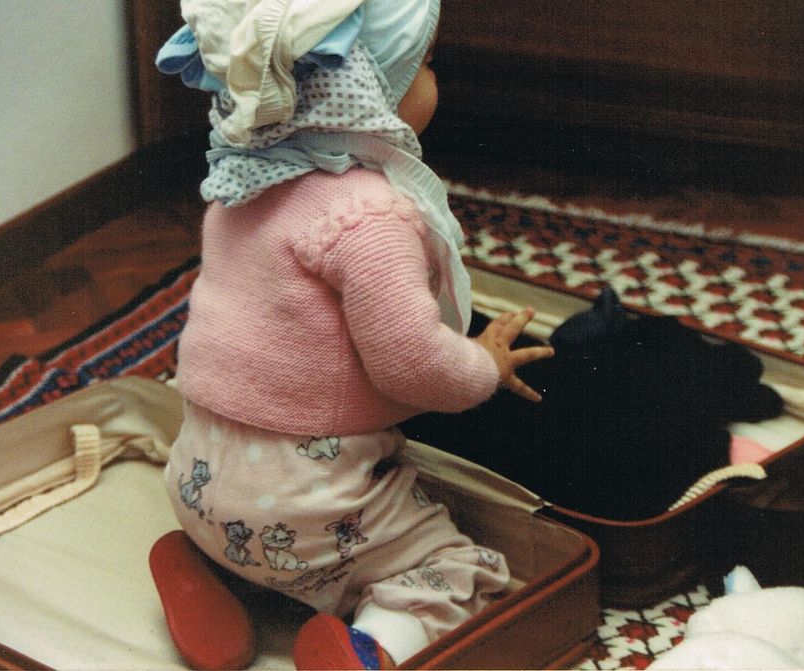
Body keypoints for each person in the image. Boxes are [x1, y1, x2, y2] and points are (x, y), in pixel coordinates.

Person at [150, 1, 555, 669]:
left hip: (196, 484)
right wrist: (484, 364)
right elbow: (411, 363)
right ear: (367, 87)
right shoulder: (366, 218)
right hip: (308, 513)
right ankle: (370, 648)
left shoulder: (237, 185)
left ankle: (210, 569)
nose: (435, 78)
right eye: (426, 63)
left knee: (255, 535)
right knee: (453, 568)